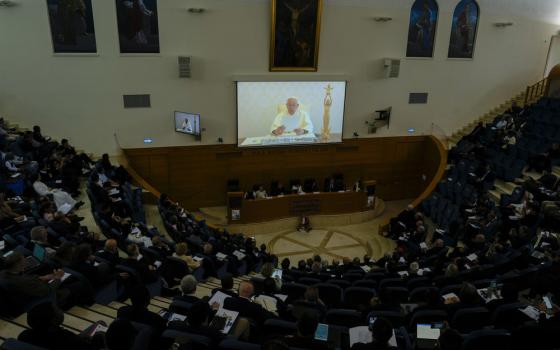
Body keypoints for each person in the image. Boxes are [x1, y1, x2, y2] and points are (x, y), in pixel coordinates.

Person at [18, 302, 97, 350]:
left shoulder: (24, 335)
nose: (61, 311)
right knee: (100, 324)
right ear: (53, 320)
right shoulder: (67, 339)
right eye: (58, 310)